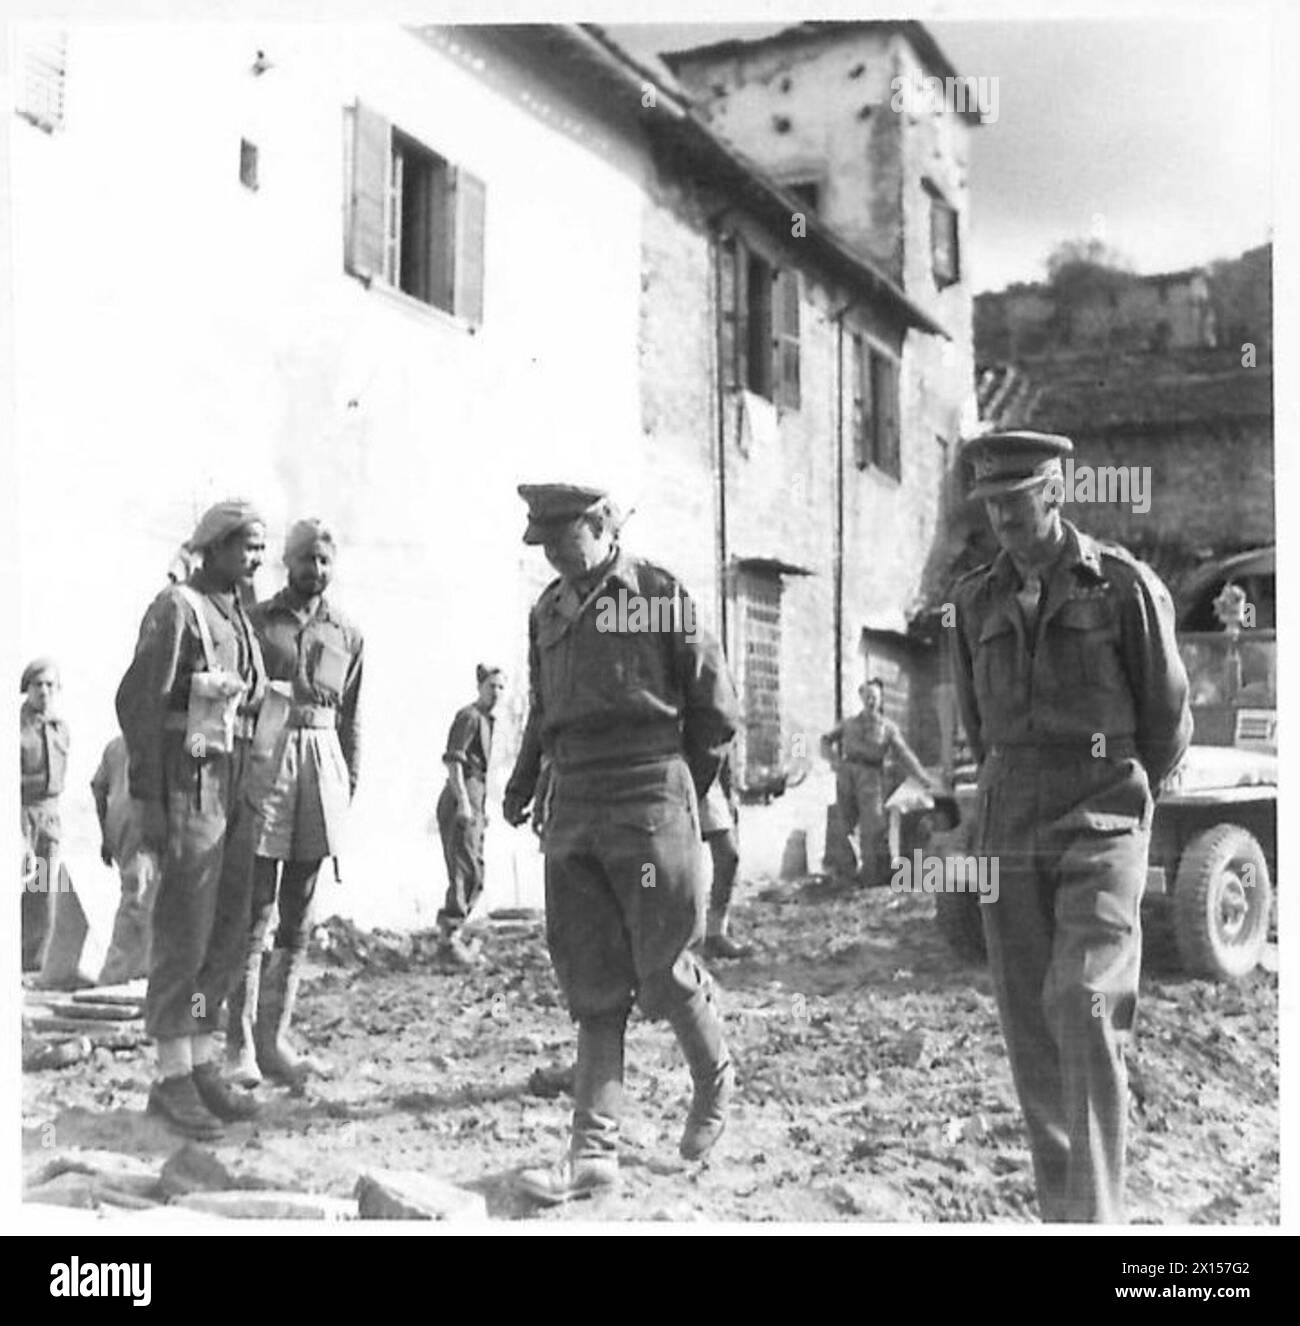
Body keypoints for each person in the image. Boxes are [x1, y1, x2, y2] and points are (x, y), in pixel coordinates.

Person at [949, 430, 1191, 1223]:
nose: (1005, 523)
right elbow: (977, 721)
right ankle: (1066, 1215)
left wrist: (1123, 795)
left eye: (1018, 504)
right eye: (991, 507)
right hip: (1011, 818)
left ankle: (1096, 1224)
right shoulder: (975, 599)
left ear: (1056, 492)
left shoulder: (1121, 587)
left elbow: (1167, 718)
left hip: (1102, 814)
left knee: (1084, 1005)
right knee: (1030, 1028)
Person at [503, 482, 740, 1204]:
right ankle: (593, 1153)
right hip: (573, 802)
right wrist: (520, 784)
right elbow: (543, 712)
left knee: (663, 969)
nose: (550, 554)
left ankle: (715, 1079)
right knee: (593, 983)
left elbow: (716, 711)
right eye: (540, 542)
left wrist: (676, 790)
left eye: (562, 537)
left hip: (648, 793)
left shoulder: (656, 592)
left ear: (602, 524)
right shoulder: (547, 609)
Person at [115, 500, 268, 1138]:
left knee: (227, 928)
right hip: (190, 777)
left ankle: (204, 1056)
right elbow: (138, 702)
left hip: (233, 780)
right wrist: (150, 799)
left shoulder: (239, 612)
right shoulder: (178, 609)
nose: (254, 559)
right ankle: (171, 1072)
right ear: (212, 546)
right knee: (186, 925)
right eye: (244, 547)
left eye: (261, 548)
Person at [228, 518, 364, 1087]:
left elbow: (353, 716)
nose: (318, 571)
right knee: (254, 901)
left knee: (300, 904)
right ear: (288, 562)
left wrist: (347, 783)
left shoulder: (346, 632)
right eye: (308, 560)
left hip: (322, 760)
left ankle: (274, 1039)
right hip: (268, 754)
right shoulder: (258, 623)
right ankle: (238, 1045)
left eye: (326, 561)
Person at [822, 678, 934, 886]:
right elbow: (825, 740)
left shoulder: (888, 728)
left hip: (871, 776)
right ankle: (847, 874)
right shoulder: (848, 724)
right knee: (846, 822)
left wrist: (923, 778)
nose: (871, 701)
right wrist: (835, 762)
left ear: (880, 700)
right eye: (867, 696)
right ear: (861, 698)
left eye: (874, 697)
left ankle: (873, 875)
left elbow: (904, 754)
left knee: (874, 825)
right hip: (847, 773)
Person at [435, 664, 506, 968]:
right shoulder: (469, 717)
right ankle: (448, 941)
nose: (497, 693)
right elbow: (454, 762)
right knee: (466, 872)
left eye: (502, 688)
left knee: (476, 870)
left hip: (475, 800)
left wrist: (481, 811)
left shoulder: (488, 722)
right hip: (459, 798)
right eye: (492, 687)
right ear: (480, 687)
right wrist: (464, 803)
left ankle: (453, 935)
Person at [91, 734, 159, 986]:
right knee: (137, 898)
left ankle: (141, 968)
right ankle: (113, 974)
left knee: (145, 896)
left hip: (121, 825)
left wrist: (106, 834)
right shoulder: (150, 741)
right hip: (138, 825)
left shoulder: (116, 745)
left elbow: (98, 788)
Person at [19, 659, 69, 973]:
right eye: (39, 685)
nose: (45, 692)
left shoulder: (60, 728)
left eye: (51, 685)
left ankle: (34, 962)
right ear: (27, 688)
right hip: (20, 812)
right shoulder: (14, 726)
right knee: (17, 884)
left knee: (44, 888)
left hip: (50, 815)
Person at [699, 743, 751, 960]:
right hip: (664, 775)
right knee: (651, 864)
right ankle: (650, 928)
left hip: (704, 780)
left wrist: (728, 794)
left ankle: (715, 933)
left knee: (729, 856)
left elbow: (719, 742)